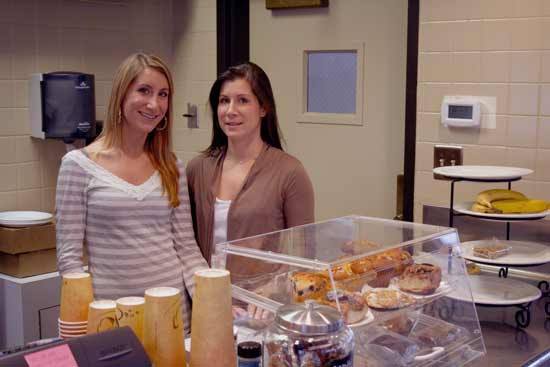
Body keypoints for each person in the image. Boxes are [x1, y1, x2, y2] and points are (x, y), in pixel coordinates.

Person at [55, 53, 208, 334]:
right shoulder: (78, 166)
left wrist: (210, 303)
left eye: (163, 94)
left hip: (173, 318)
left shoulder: (171, 165)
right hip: (113, 320)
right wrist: (79, 330)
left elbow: (186, 247)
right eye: (144, 91)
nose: (155, 104)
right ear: (122, 94)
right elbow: (70, 260)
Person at [186, 61, 315, 265]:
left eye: (243, 100)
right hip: (203, 294)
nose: (230, 110)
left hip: (260, 294)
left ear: (263, 108)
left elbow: (303, 255)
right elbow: (186, 244)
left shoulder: (290, 172)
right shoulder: (197, 169)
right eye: (224, 101)